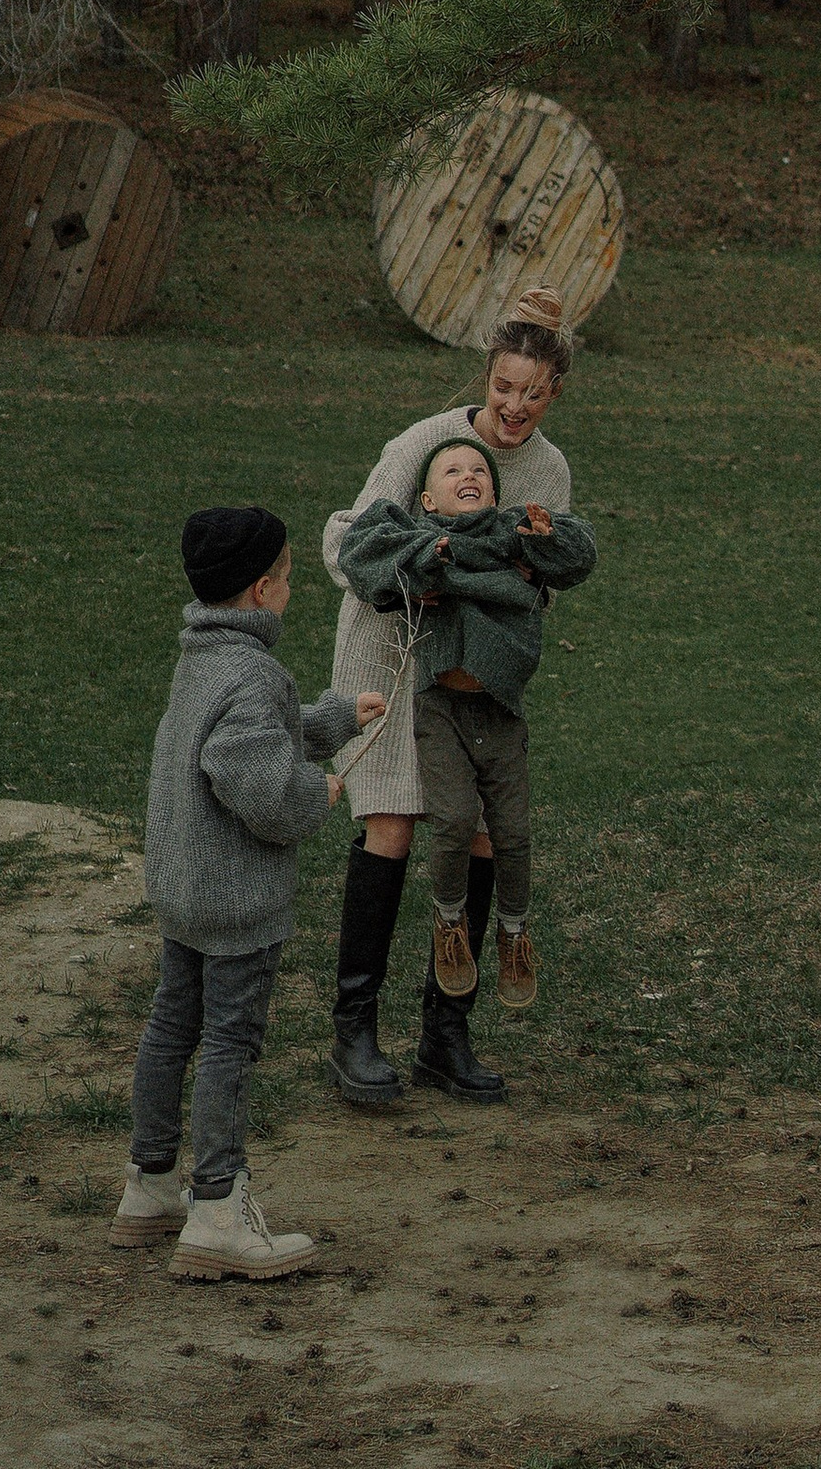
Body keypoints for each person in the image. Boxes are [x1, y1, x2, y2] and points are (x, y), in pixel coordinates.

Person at [110, 503, 384, 1281]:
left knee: (172, 1026)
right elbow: (256, 777)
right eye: (290, 575)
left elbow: (241, 731)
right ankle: (219, 1207)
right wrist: (313, 794)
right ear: (263, 589)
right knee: (231, 1039)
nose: (292, 587)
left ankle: (151, 1182)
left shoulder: (203, 654)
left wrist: (331, 717)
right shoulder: (254, 671)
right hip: (235, 904)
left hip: (183, 888)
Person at [320, 286, 578, 1106]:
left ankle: (445, 1031)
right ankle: (353, 1032)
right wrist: (417, 575)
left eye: (532, 392)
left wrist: (512, 587)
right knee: (394, 821)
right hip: (392, 652)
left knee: (480, 835)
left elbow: (546, 575)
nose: (514, 406)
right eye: (504, 386)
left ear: (552, 392)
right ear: (488, 376)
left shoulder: (549, 470)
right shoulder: (426, 442)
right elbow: (344, 537)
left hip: (476, 675)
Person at [337, 437, 596, 1016]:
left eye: (480, 469)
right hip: (440, 709)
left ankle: (513, 933)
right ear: (428, 499)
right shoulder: (422, 541)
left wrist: (542, 534)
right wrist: (438, 560)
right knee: (453, 820)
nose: (469, 474)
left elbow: (579, 555)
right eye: (453, 470)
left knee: (512, 833)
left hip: (501, 712)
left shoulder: (510, 534)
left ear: (497, 495)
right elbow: (361, 552)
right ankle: (448, 922)